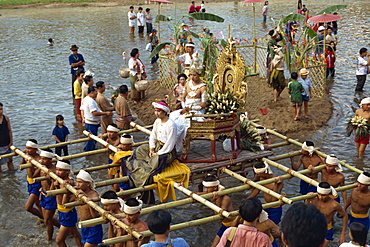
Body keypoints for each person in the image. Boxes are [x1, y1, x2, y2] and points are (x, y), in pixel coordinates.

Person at [126, 101, 177, 204]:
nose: (157, 113)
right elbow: (153, 136)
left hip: (167, 151)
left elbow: (170, 144)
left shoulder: (171, 125)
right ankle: (148, 162)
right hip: (157, 146)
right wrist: (151, 149)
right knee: (139, 150)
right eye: (156, 111)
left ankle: (148, 167)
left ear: (164, 112)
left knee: (158, 159)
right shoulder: (157, 121)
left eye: (159, 111)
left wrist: (158, 153)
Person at [170, 56, 206, 153]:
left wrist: (189, 108)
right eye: (190, 75)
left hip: (196, 111)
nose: (192, 77)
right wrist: (184, 107)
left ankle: (179, 145)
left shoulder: (203, 87)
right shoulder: (187, 84)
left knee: (182, 122)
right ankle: (171, 144)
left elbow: (203, 104)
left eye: (194, 75)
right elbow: (183, 97)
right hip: (186, 108)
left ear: (199, 75)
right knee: (172, 116)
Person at [306, 182, 348, 246]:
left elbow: (345, 216)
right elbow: (306, 211)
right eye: (319, 194)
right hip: (314, 227)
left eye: (323, 195)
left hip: (327, 229)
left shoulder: (334, 205)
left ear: (329, 194)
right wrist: (307, 200)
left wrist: (343, 234)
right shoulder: (313, 199)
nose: (320, 197)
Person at [198, 175, 235, 247]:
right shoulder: (212, 193)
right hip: (225, 224)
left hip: (231, 225)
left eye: (207, 188)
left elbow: (220, 217)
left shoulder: (225, 198)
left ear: (214, 187)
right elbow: (196, 194)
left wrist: (214, 201)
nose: (206, 190)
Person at [53, 160, 83, 247]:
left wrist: (65, 189)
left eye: (60, 170)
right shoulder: (59, 180)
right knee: (75, 234)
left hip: (68, 212)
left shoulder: (69, 182)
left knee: (59, 240)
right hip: (62, 211)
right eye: (57, 170)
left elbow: (63, 202)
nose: (57, 172)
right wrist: (55, 185)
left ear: (67, 171)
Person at [36, 149, 61, 241]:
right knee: (47, 219)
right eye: (41, 159)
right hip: (43, 194)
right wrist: (39, 167)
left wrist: (48, 193)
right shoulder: (42, 167)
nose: (42, 161)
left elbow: (53, 187)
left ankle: (49, 239)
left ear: (50, 160)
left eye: (44, 159)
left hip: (51, 196)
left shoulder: (54, 171)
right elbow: (35, 176)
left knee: (47, 220)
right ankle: (65, 230)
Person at [75, 170, 103, 246]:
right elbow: (64, 202)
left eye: (80, 182)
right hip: (84, 226)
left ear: (88, 183)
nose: (77, 184)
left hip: (93, 226)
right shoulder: (77, 192)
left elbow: (95, 215)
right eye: (76, 181)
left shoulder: (94, 195)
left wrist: (87, 198)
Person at [81, 86, 113, 151]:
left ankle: (88, 149)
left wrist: (83, 118)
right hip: (91, 123)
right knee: (91, 139)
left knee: (90, 138)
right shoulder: (90, 101)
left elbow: (82, 109)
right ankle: (89, 151)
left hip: (89, 121)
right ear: (92, 92)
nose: (97, 93)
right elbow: (94, 113)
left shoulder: (86, 99)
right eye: (96, 91)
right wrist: (106, 113)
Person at [19, 139, 43, 220]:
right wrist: (23, 157)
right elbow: (21, 167)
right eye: (26, 148)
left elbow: (32, 175)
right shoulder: (27, 156)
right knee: (37, 203)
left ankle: (45, 218)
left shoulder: (39, 159)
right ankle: (43, 218)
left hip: (37, 183)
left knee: (28, 207)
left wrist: (29, 163)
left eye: (29, 148)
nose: (27, 150)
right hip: (30, 182)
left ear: (35, 149)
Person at [0, 102, 14, 172]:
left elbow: (9, 130)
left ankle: (12, 175)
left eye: (1, 109)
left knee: (10, 161)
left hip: (6, 143)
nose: (1, 111)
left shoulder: (6, 118)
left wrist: (11, 142)